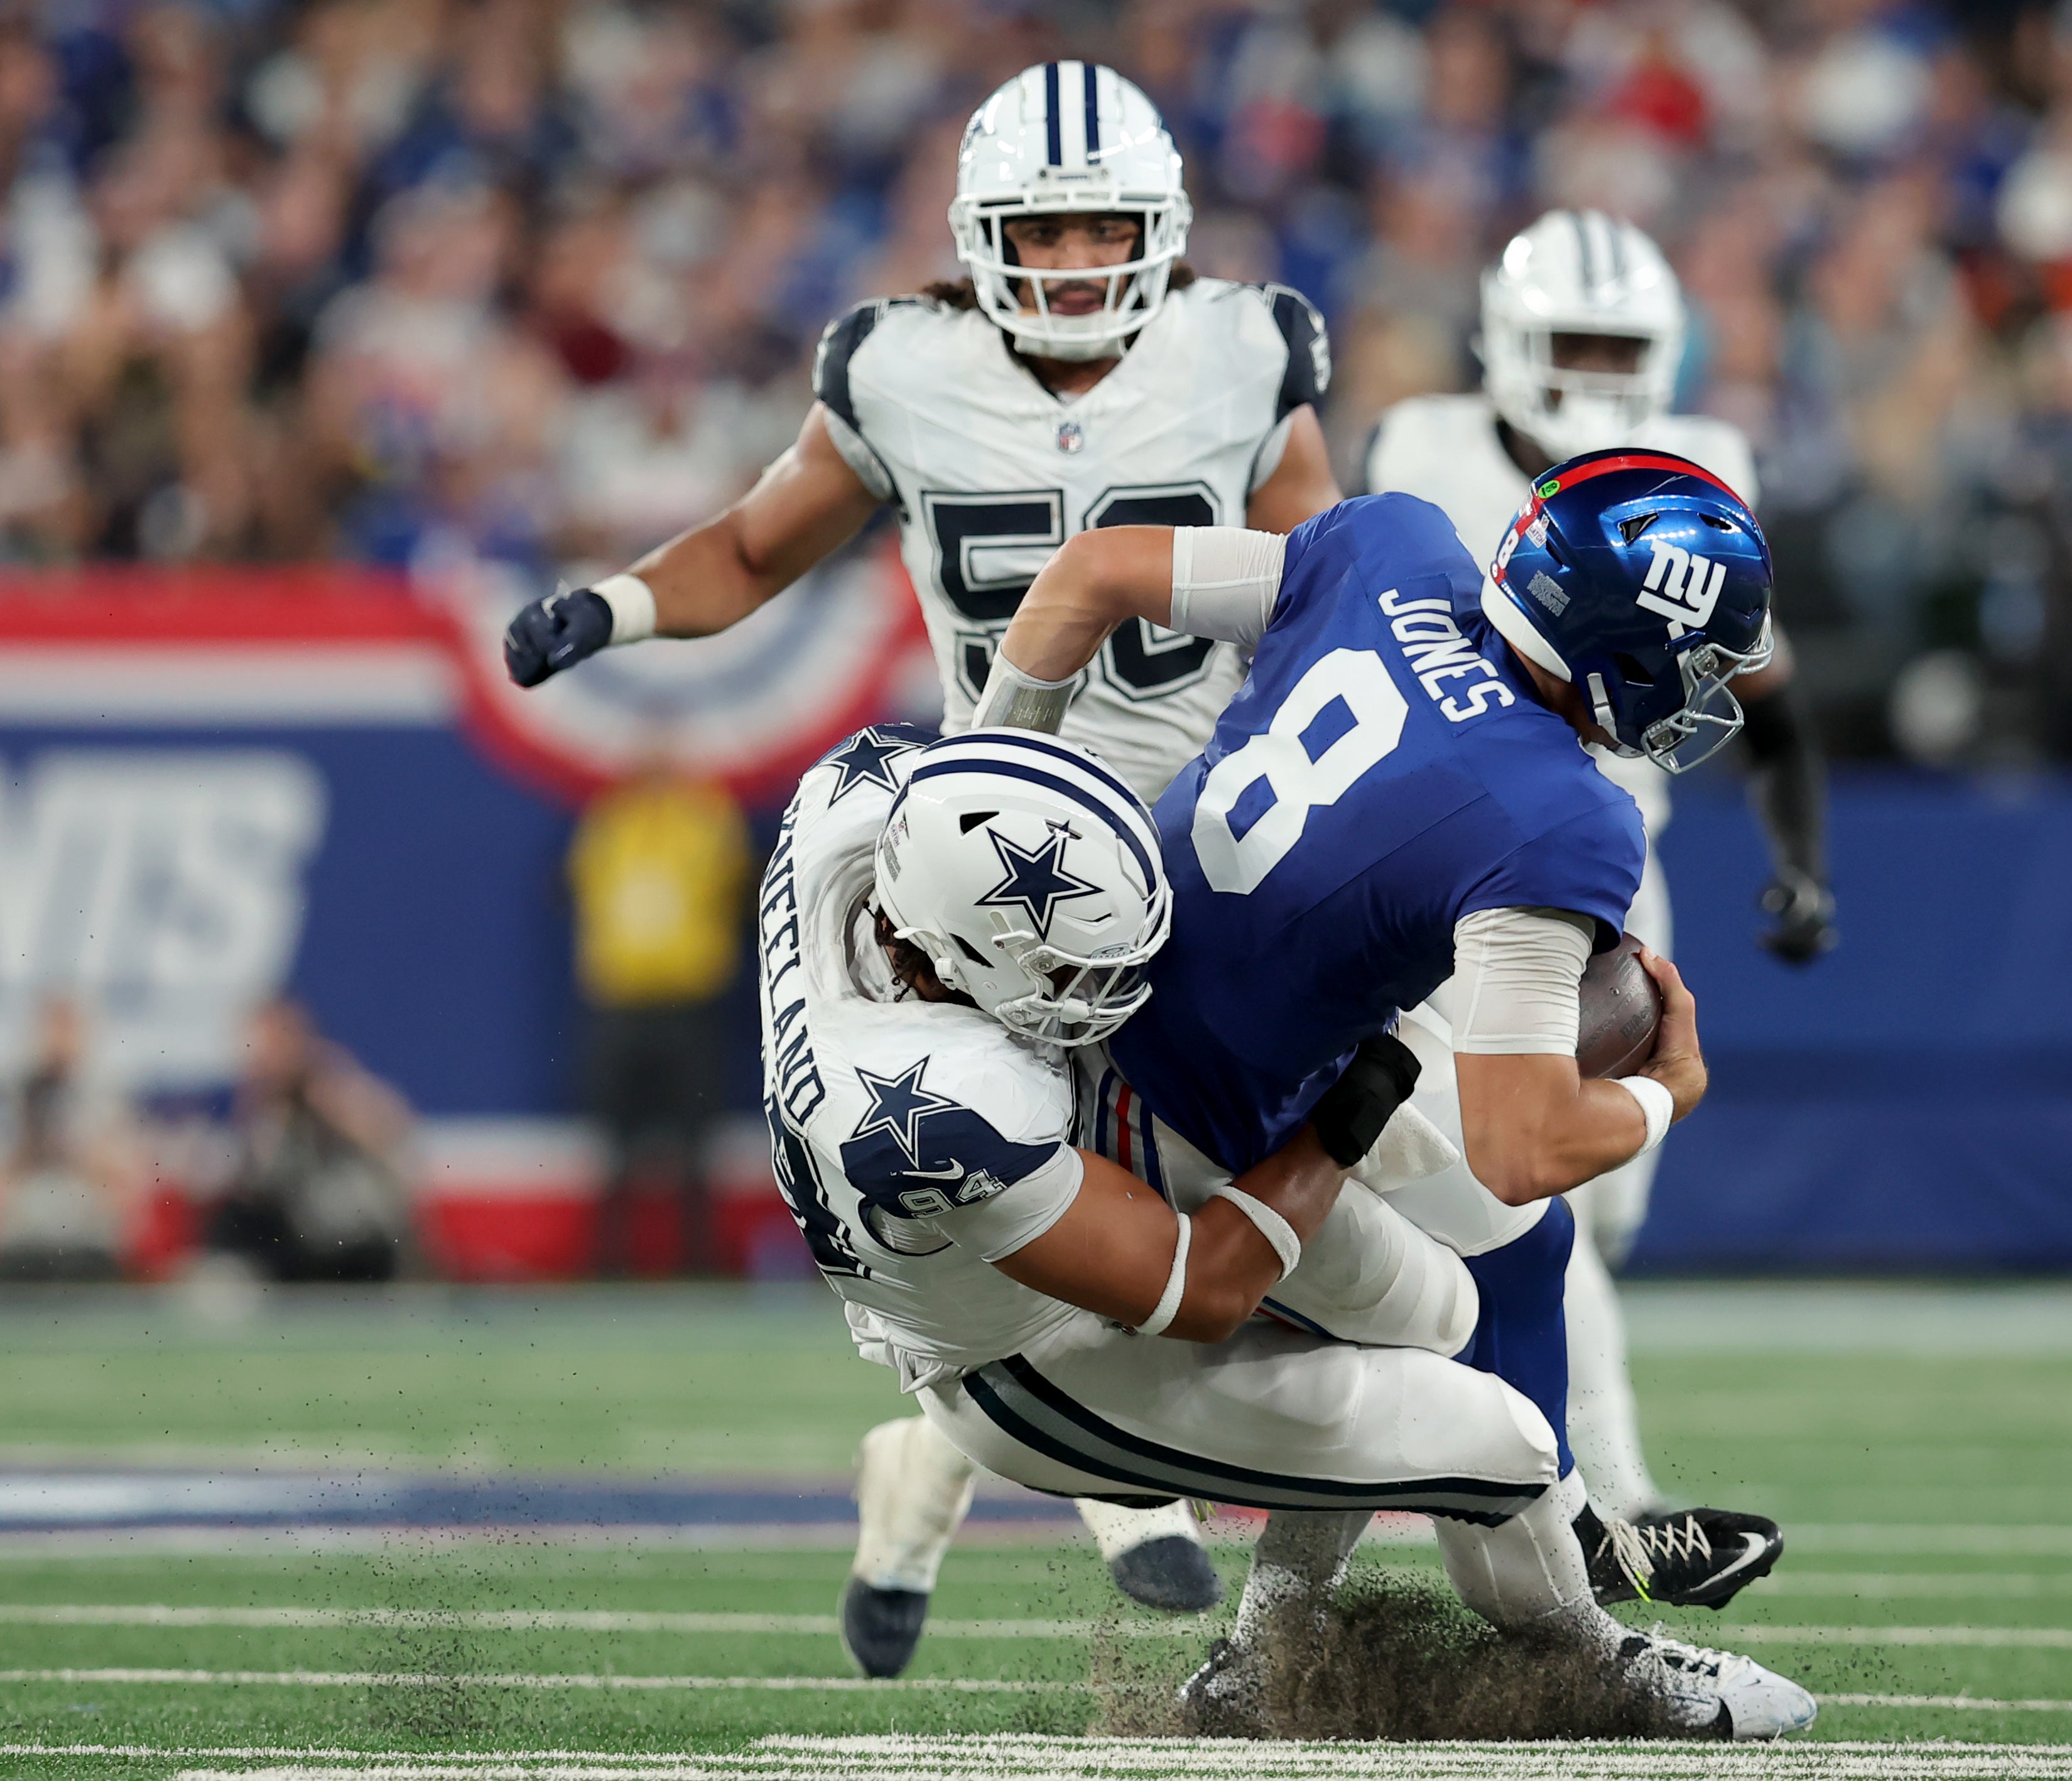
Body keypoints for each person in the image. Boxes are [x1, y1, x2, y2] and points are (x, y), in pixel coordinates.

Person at [503, 62, 1343, 1627]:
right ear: (978, 237)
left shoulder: (1242, 348)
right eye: (1051, 231)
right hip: (1002, 857)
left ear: (1159, 230)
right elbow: (756, 545)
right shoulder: (900, 369)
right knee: (1045, 1195)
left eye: (1109, 231)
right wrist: (611, 604)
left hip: (1212, 832)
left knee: (1223, 1224)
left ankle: (923, 1473)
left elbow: (1329, 579)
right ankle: (1122, 1489)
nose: (1083, 264)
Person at [757, 722, 1811, 1740]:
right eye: (1074, 978)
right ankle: (1591, 1659)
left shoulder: (859, 801)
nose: (1111, 993)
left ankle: (1260, 1661)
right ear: (945, 960)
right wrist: (1350, 1113)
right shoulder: (936, 1106)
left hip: (1078, 1169)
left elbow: (980, 769)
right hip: (1031, 1354)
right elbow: (1201, 1284)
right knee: (1501, 1440)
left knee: (1444, 1303)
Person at [972, 452, 1802, 1701]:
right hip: (1186, 1118)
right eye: (1690, 663)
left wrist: (990, 785)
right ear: (1622, 644)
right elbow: (1523, 1133)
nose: (1696, 698)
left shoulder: (1391, 548)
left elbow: (1089, 570)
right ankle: (1571, 1648)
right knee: (1439, 1335)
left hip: (1141, 1007)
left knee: (1519, 1242)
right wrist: (1665, 1090)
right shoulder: (1561, 811)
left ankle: (1292, 1644)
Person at [1362, 209, 1835, 1523]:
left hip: (1603, 863)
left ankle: (1465, 1452)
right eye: (1569, 342)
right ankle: (1607, 1507)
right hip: (1438, 856)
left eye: (1617, 346)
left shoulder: (1701, 471)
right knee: (1511, 1196)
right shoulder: (1416, 448)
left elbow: (1769, 701)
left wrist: (1802, 862)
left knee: (1587, 1218)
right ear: (1504, 341)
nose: (1593, 371)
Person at [568, 759, 752, 1277]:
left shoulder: (705, 819)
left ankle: (698, 1262)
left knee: (695, 1146)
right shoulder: (611, 823)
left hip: (688, 1008)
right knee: (614, 1147)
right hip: (620, 1006)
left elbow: (728, 875)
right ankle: (609, 1263)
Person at [203, 999, 415, 1284]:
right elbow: (253, 1185)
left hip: (358, 1246)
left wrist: (333, 1099)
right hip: (300, 1248)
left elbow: (394, 1145)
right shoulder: (269, 1113)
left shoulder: (337, 1088)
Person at [0, 995, 141, 1282]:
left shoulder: (103, 1091)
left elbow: (123, 1167)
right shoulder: (18, 1090)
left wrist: (77, 1146)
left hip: (85, 1210)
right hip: (29, 1210)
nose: (59, 1042)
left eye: (68, 1030)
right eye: (52, 1030)